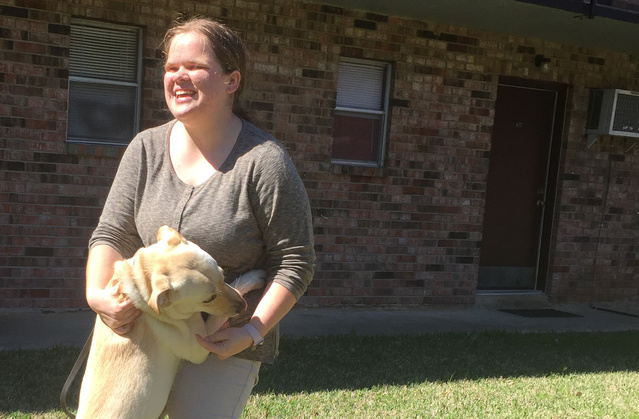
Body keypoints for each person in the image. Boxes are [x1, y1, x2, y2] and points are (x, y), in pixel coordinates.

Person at [84, 16, 315, 418]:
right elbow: (111, 233)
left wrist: (251, 331)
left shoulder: (264, 163)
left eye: (195, 67)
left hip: (226, 335)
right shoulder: (145, 149)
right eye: (172, 67)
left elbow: (296, 260)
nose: (179, 76)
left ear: (232, 81)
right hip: (144, 327)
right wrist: (97, 296)